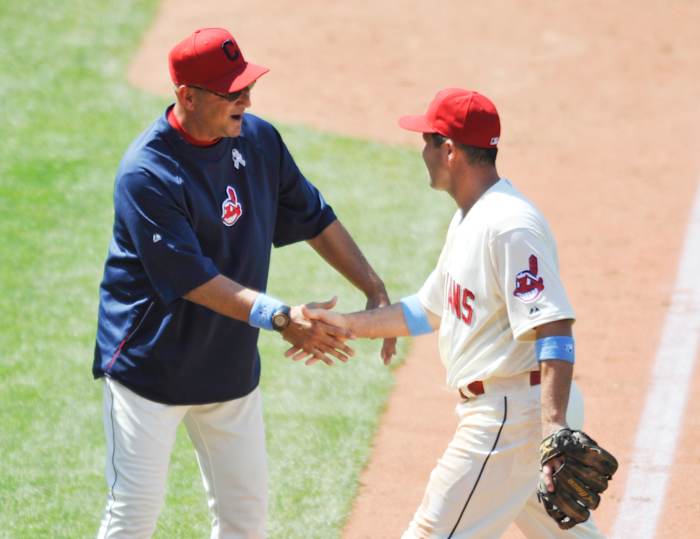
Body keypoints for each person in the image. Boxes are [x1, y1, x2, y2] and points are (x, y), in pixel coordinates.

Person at [92, 27, 395, 539]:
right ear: (187, 95)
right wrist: (280, 317)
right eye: (231, 92)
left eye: (247, 86)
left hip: (228, 371)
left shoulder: (258, 140)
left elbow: (313, 216)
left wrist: (374, 287)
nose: (246, 100)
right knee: (132, 518)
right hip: (152, 374)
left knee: (245, 521)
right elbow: (195, 281)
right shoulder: (147, 173)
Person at [303, 88, 606, 538]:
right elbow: (426, 310)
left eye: (426, 140)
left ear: (448, 150)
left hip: (512, 418)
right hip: (511, 411)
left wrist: (552, 429)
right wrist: (347, 324)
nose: (421, 151)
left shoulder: (509, 226)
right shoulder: (470, 218)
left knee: (431, 533)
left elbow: (554, 324)